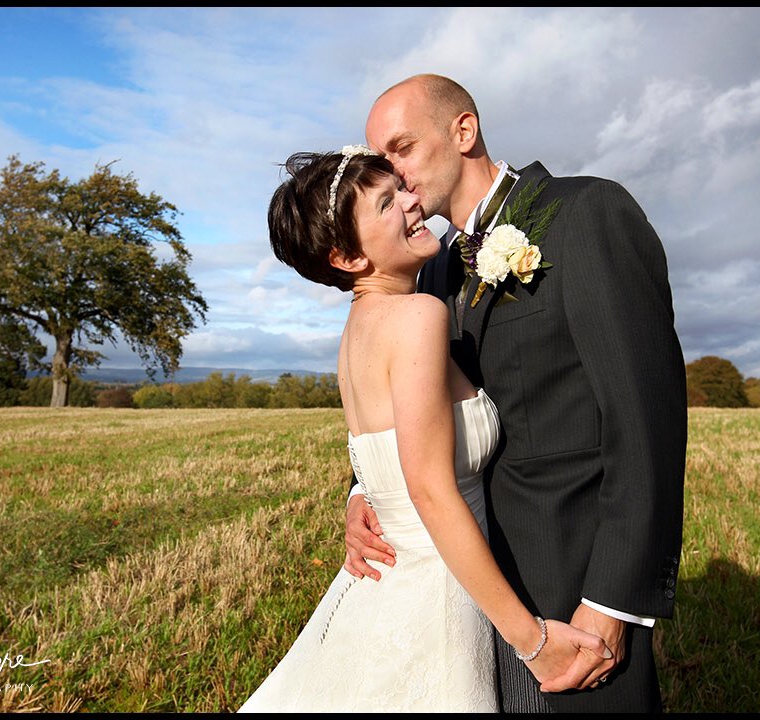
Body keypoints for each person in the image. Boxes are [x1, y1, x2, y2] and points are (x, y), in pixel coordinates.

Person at [346, 74, 687, 712]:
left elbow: (647, 423)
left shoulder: (587, 214)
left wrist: (612, 599)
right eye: (379, 161)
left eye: (402, 149)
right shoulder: (436, 268)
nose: (391, 175)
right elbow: (414, 401)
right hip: (471, 587)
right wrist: (366, 490)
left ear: (464, 131)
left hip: (573, 587)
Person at [238, 147, 611, 713]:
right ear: (346, 257)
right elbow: (429, 491)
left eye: (402, 188)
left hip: (387, 583)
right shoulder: (417, 317)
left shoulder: (357, 333)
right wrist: (534, 644)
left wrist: (359, 493)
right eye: (388, 203)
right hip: (435, 591)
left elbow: (382, 460)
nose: (413, 202)